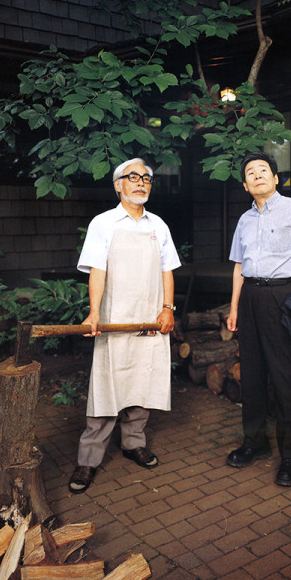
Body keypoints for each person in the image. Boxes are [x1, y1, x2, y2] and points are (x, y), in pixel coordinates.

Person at [69, 157, 181, 493]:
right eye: (133, 177)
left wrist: (167, 309)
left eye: (146, 178)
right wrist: (94, 313)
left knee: (141, 382)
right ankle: (88, 460)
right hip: (115, 320)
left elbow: (167, 271)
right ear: (118, 185)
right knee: (107, 386)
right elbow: (97, 271)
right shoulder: (103, 224)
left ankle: (133, 443)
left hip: (149, 319)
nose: (141, 182)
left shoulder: (158, 226)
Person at [226, 151, 291, 487]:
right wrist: (235, 307)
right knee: (251, 375)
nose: (257, 175)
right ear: (245, 185)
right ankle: (255, 443)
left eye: (263, 170)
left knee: (284, 377)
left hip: (282, 297)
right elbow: (239, 266)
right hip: (250, 297)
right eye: (250, 172)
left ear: (276, 178)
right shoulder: (244, 220)